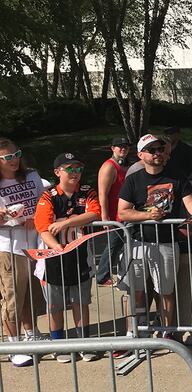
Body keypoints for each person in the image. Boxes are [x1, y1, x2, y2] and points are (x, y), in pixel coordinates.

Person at [117, 134, 192, 341]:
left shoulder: (177, 177)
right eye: (152, 150)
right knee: (136, 290)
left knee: (165, 291)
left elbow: (191, 205)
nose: (158, 153)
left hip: (166, 242)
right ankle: (134, 331)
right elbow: (123, 212)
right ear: (141, 155)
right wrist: (147, 215)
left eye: (160, 149)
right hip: (138, 243)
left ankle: (168, 331)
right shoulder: (133, 180)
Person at [33, 153, 101, 362]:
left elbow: (95, 212)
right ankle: (59, 345)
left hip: (80, 256)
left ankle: (84, 344)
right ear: (57, 172)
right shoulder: (48, 196)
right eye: (69, 169)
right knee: (55, 305)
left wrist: (65, 223)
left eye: (78, 169)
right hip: (53, 258)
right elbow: (43, 227)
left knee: (81, 301)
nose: (75, 173)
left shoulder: (87, 191)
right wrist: (58, 247)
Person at [0, 138, 46, 367]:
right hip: (8, 247)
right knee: (12, 297)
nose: (14, 160)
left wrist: (35, 217)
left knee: (30, 294)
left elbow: (43, 203)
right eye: (8, 157)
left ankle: (31, 334)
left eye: (16, 154)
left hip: (34, 245)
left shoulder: (32, 176)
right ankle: (13, 344)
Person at [96, 137, 131, 286]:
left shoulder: (124, 166)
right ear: (113, 148)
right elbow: (102, 193)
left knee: (118, 245)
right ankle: (102, 276)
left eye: (126, 147)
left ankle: (111, 274)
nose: (123, 149)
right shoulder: (109, 167)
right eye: (119, 146)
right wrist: (105, 217)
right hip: (113, 216)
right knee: (112, 245)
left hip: (124, 214)